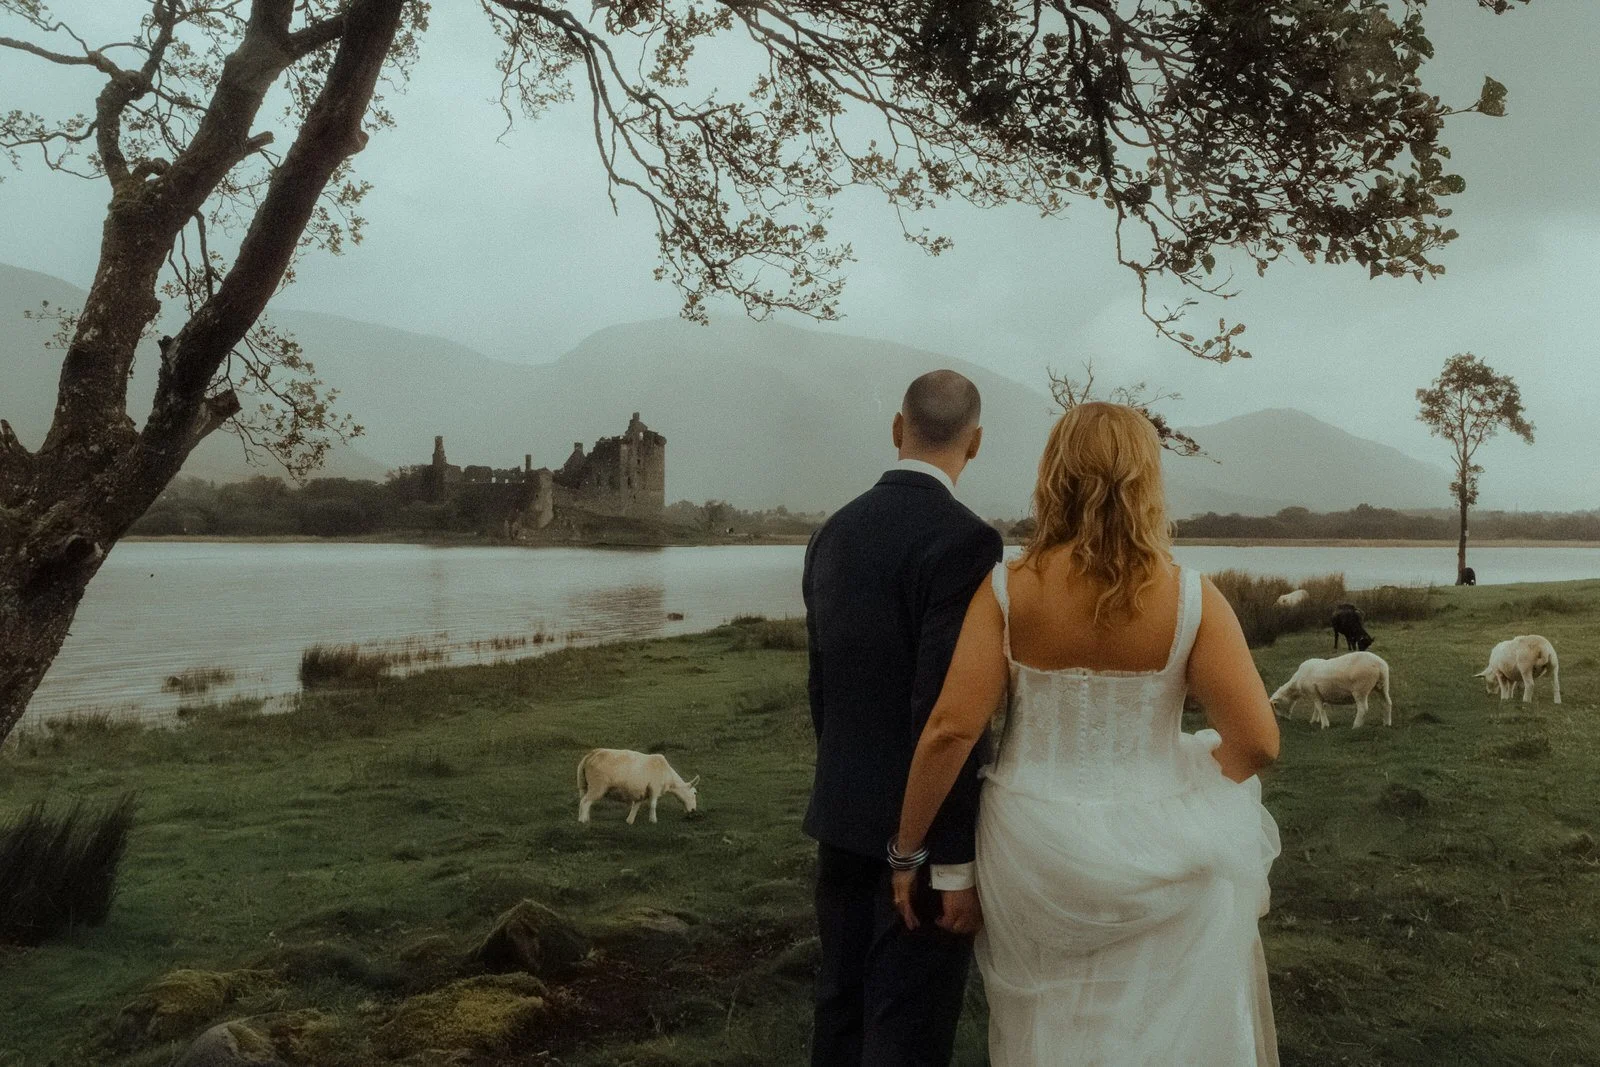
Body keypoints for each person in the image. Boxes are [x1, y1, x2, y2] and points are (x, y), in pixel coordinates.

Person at [891, 401, 1282, 1065]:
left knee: (1048, 1017)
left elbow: (951, 729)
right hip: (1159, 840)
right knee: (1157, 1017)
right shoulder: (1194, 598)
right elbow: (1258, 742)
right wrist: (1182, 785)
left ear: (1054, 475)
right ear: (1147, 480)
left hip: (1031, 845)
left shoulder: (1009, 589)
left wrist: (907, 853)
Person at [803, 370, 1004, 1065]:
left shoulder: (833, 531)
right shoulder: (968, 541)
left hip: (840, 813)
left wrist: (842, 783)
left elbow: (822, 686)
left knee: (840, 1010)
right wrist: (947, 860)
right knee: (907, 1029)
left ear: (897, 428)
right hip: (917, 833)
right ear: (974, 443)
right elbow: (946, 713)